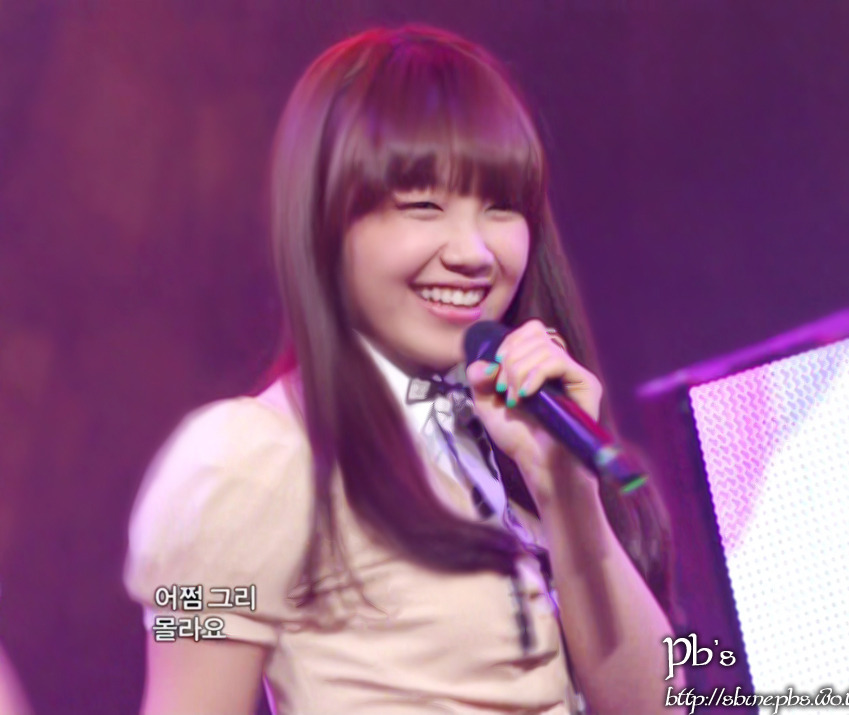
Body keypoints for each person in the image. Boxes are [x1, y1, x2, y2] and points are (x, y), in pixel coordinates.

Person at [124, 24, 682, 714]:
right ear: (326, 222)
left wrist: (566, 492)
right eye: (423, 205)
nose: (473, 252)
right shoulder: (243, 459)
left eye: (500, 206)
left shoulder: (512, 433)